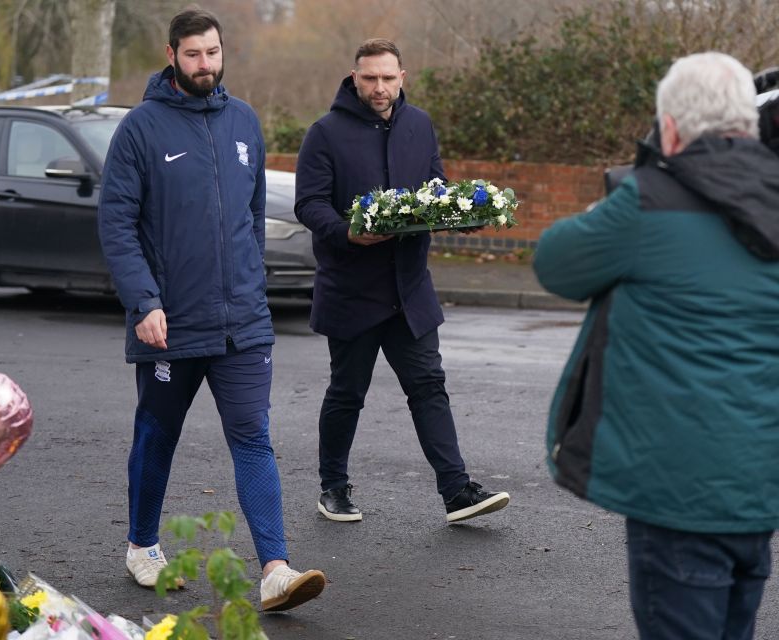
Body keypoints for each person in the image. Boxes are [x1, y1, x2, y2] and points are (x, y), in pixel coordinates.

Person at [533, 51, 779, 640]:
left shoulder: (645, 201)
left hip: (676, 493)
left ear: (670, 128)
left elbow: (555, 263)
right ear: (747, 124)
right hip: (758, 489)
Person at [97, 6, 325, 612]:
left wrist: (250, 281)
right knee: (157, 433)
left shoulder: (245, 121)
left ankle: (275, 569)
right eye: (194, 54)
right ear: (172, 55)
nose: (206, 64)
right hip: (169, 322)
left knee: (253, 437)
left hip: (244, 321)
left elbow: (251, 215)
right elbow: (116, 224)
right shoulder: (140, 129)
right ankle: (142, 544)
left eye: (214, 53)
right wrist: (144, 301)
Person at [294, 38, 510, 524]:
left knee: (429, 385)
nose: (379, 87)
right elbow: (308, 203)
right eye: (369, 78)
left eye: (388, 78)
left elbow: (434, 188)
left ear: (402, 77)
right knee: (348, 392)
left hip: (409, 289)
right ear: (354, 77)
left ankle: (457, 492)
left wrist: (461, 215)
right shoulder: (324, 133)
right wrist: (347, 232)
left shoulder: (419, 124)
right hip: (352, 290)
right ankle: (333, 487)